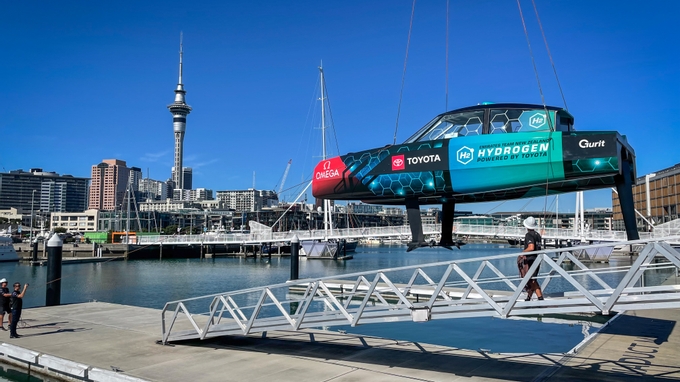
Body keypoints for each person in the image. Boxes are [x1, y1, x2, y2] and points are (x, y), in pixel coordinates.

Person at [520, 217, 544, 301]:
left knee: (532, 280)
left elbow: (531, 247)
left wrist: (522, 253)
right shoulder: (537, 235)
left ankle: (540, 298)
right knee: (531, 279)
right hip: (537, 259)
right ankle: (529, 297)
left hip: (531, 260)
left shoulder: (529, 235)